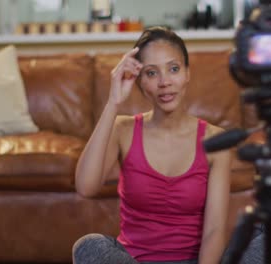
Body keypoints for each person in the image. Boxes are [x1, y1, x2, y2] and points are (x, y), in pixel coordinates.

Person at [72, 26, 232, 264]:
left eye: (174, 69)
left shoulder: (215, 140)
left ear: (188, 73)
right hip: (134, 261)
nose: (165, 82)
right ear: (139, 81)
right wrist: (113, 103)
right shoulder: (123, 129)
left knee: (268, 236)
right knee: (89, 247)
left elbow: (214, 231)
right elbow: (86, 186)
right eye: (151, 73)